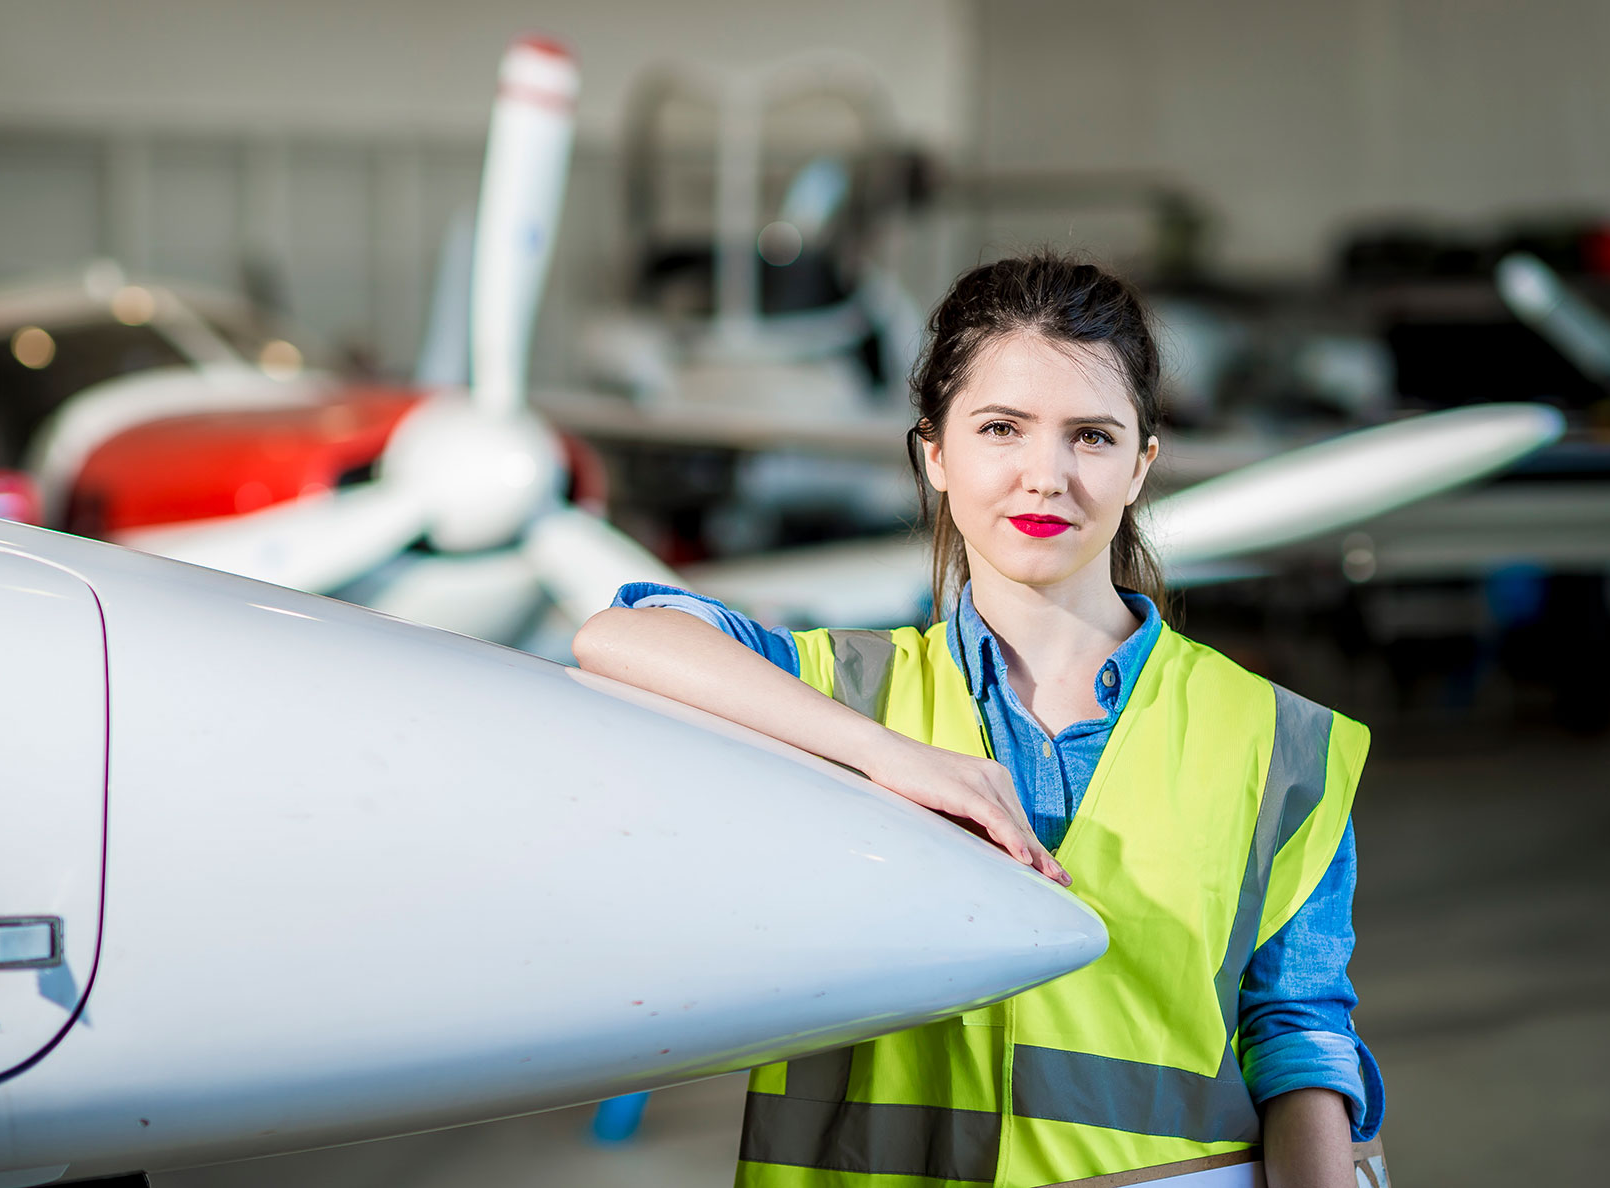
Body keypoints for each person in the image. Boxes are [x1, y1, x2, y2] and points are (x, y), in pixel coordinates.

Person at [573, 254, 1384, 1188]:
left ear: (1141, 466)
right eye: (1002, 428)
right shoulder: (841, 695)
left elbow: (1299, 1033)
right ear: (935, 454)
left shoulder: (1275, 741)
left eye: (1091, 437)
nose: (1046, 476)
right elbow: (619, 636)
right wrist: (885, 755)